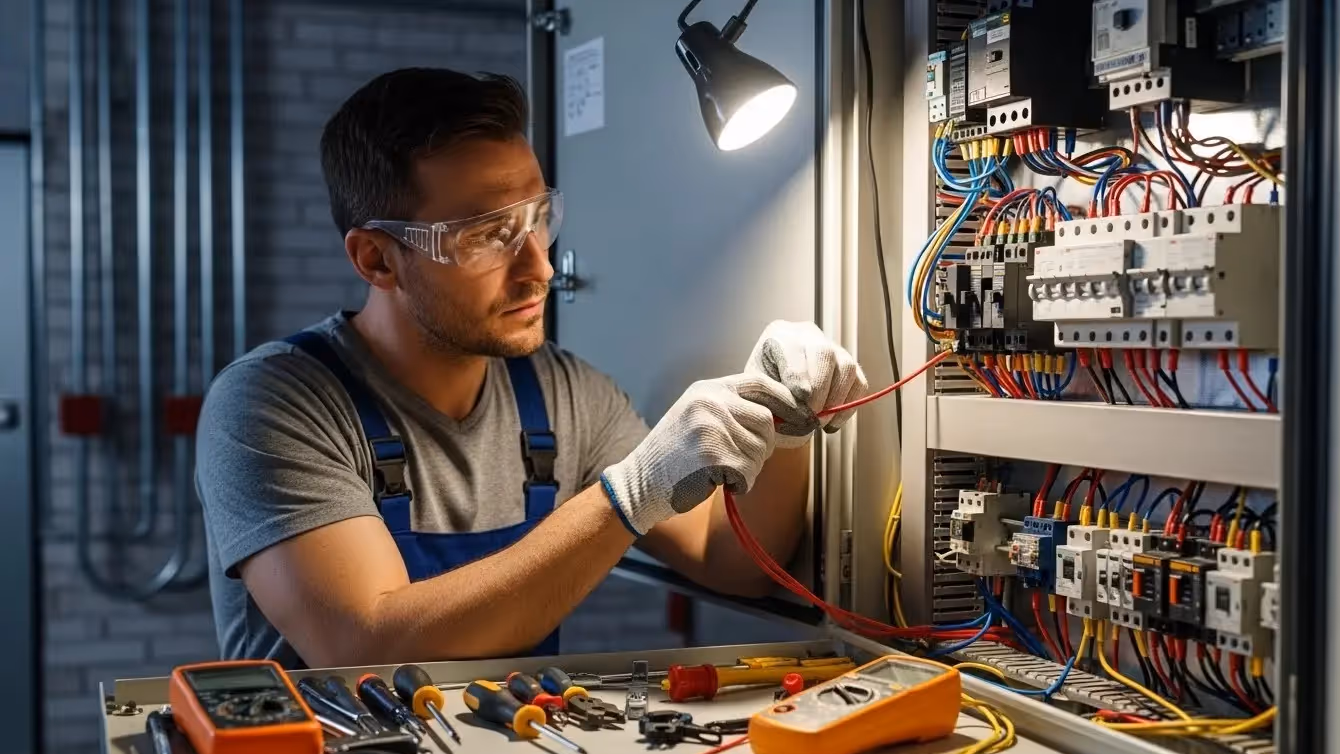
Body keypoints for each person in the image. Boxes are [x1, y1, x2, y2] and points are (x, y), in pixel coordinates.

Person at [196, 68, 868, 669]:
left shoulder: (564, 394)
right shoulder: (270, 405)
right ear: (376, 259)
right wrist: (627, 496)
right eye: (488, 234)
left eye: (537, 218)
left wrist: (783, 424)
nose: (540, 268)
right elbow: (366, 644)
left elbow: (730, 563)